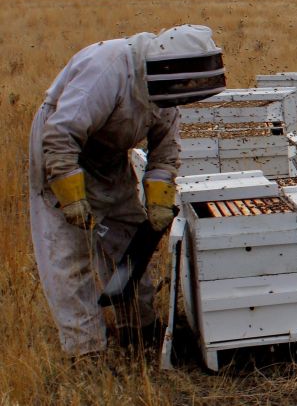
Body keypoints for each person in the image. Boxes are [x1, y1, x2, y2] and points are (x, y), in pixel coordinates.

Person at [28, 24, 226, 358]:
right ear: (165, 65)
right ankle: (85, 350)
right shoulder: (107, 69)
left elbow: (165, 153)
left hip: (108, 155)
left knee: (129, 240)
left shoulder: (165, 90)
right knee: (68, 250)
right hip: (60, 150)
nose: (186, 91)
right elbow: (60, 136)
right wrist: (72, 196)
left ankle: (139, 327)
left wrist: (160, 203)